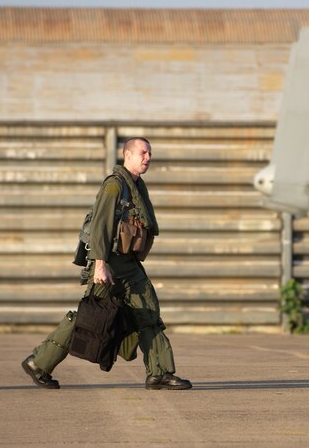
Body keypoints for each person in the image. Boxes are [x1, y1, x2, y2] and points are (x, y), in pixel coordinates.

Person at [22, 137, 192, 390]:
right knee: (90, 318)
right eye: (143, 153)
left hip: (129, 266)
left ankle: (159, 372)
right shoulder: (115, 186)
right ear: (128, 155)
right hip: (108, 265)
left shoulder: (137, 186)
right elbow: (100, 227)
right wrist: (100, 264)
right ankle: (39, 362)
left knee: (148, 313)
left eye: (150, 153)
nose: (148, 158)